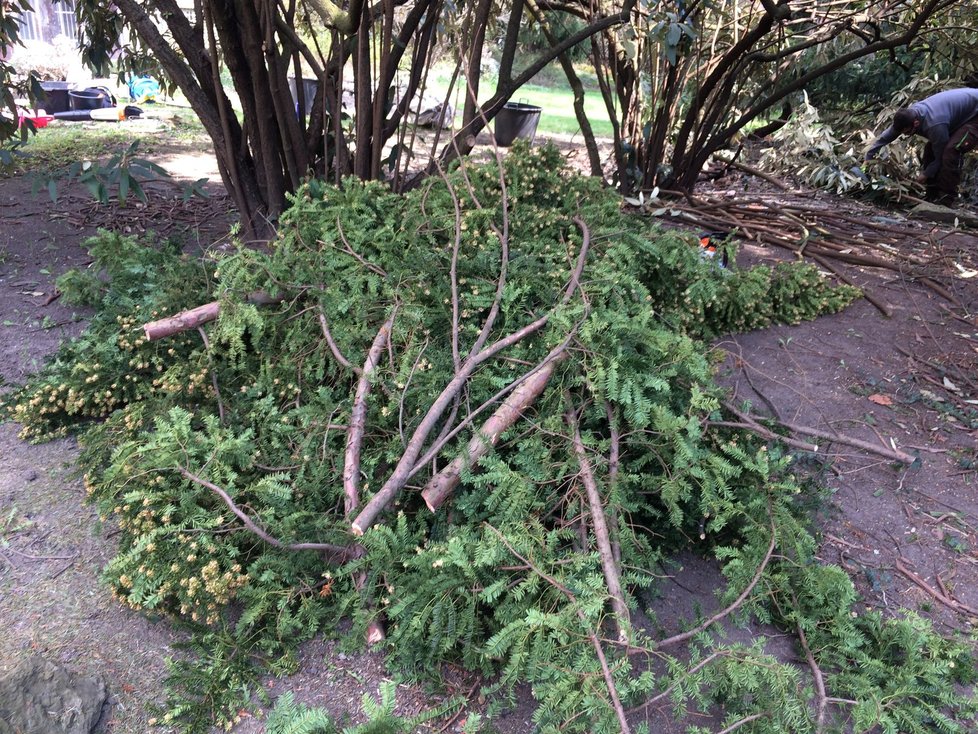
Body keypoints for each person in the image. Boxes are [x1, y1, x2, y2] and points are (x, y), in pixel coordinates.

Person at [864, 87, 978, 204]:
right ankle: (932, 195)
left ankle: (946, 199)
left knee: (951, 151)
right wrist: (868, 157)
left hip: (975, 115)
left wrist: (925, 174)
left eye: (908, 132)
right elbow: (884, 138)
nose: (906, 135)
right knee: (930, 149)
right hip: (961, 114)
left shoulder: (935, 125)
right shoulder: (906, 117)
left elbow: (939, 158)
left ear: (916, 123)